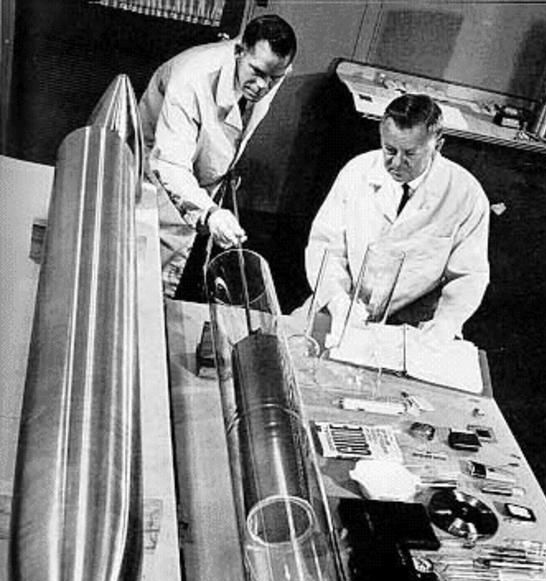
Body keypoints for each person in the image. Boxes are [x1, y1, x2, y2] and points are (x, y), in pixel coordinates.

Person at [303, 93, 490, 348]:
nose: (397, 163)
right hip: (343, 303)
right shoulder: (357, 171)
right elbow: (325, 246)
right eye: (389, 150)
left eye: (410, 153)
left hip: (414, 322)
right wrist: (338, 301)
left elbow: (469, 276)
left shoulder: (466, 193)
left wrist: (444, 325)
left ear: (438, 145)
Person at [139, 14, 297, 297]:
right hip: (155, 177)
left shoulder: (268, 71)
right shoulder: (191, 77)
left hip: (201, 184)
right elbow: (170, 163)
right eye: (257, 72)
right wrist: (209, 213)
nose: (263, 86)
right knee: (147, 278)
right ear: (239, 51)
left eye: (275, 78)